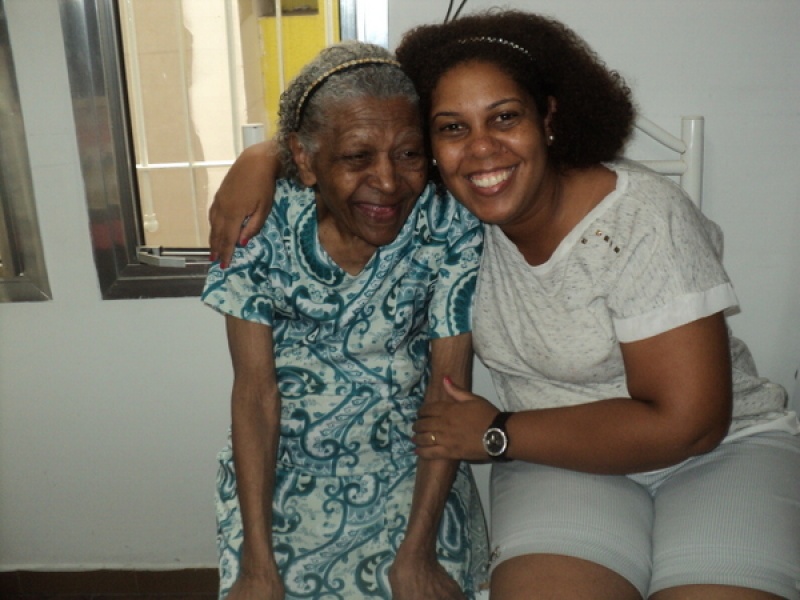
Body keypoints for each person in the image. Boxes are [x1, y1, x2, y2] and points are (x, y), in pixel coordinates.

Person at [207, 11, 800, 600]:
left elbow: (692, 425)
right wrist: (258, 159)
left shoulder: (641, 218)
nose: (482, 151)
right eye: (452, 128)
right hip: (562, 462)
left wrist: (496, 433)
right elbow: (348, 146)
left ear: (548, 118)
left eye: (505, 118)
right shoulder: (444, 213)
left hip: (715, 454)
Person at [202, 40, 487, 600]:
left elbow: (448, 390)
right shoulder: (261, 226)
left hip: (415, 461)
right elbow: (255, 395)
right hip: (282, 466)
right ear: (305, 160)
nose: (388, 182)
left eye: (408, 154)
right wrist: (257, 565)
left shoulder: (446, 223)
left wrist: (418, 552)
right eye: (358, 157)